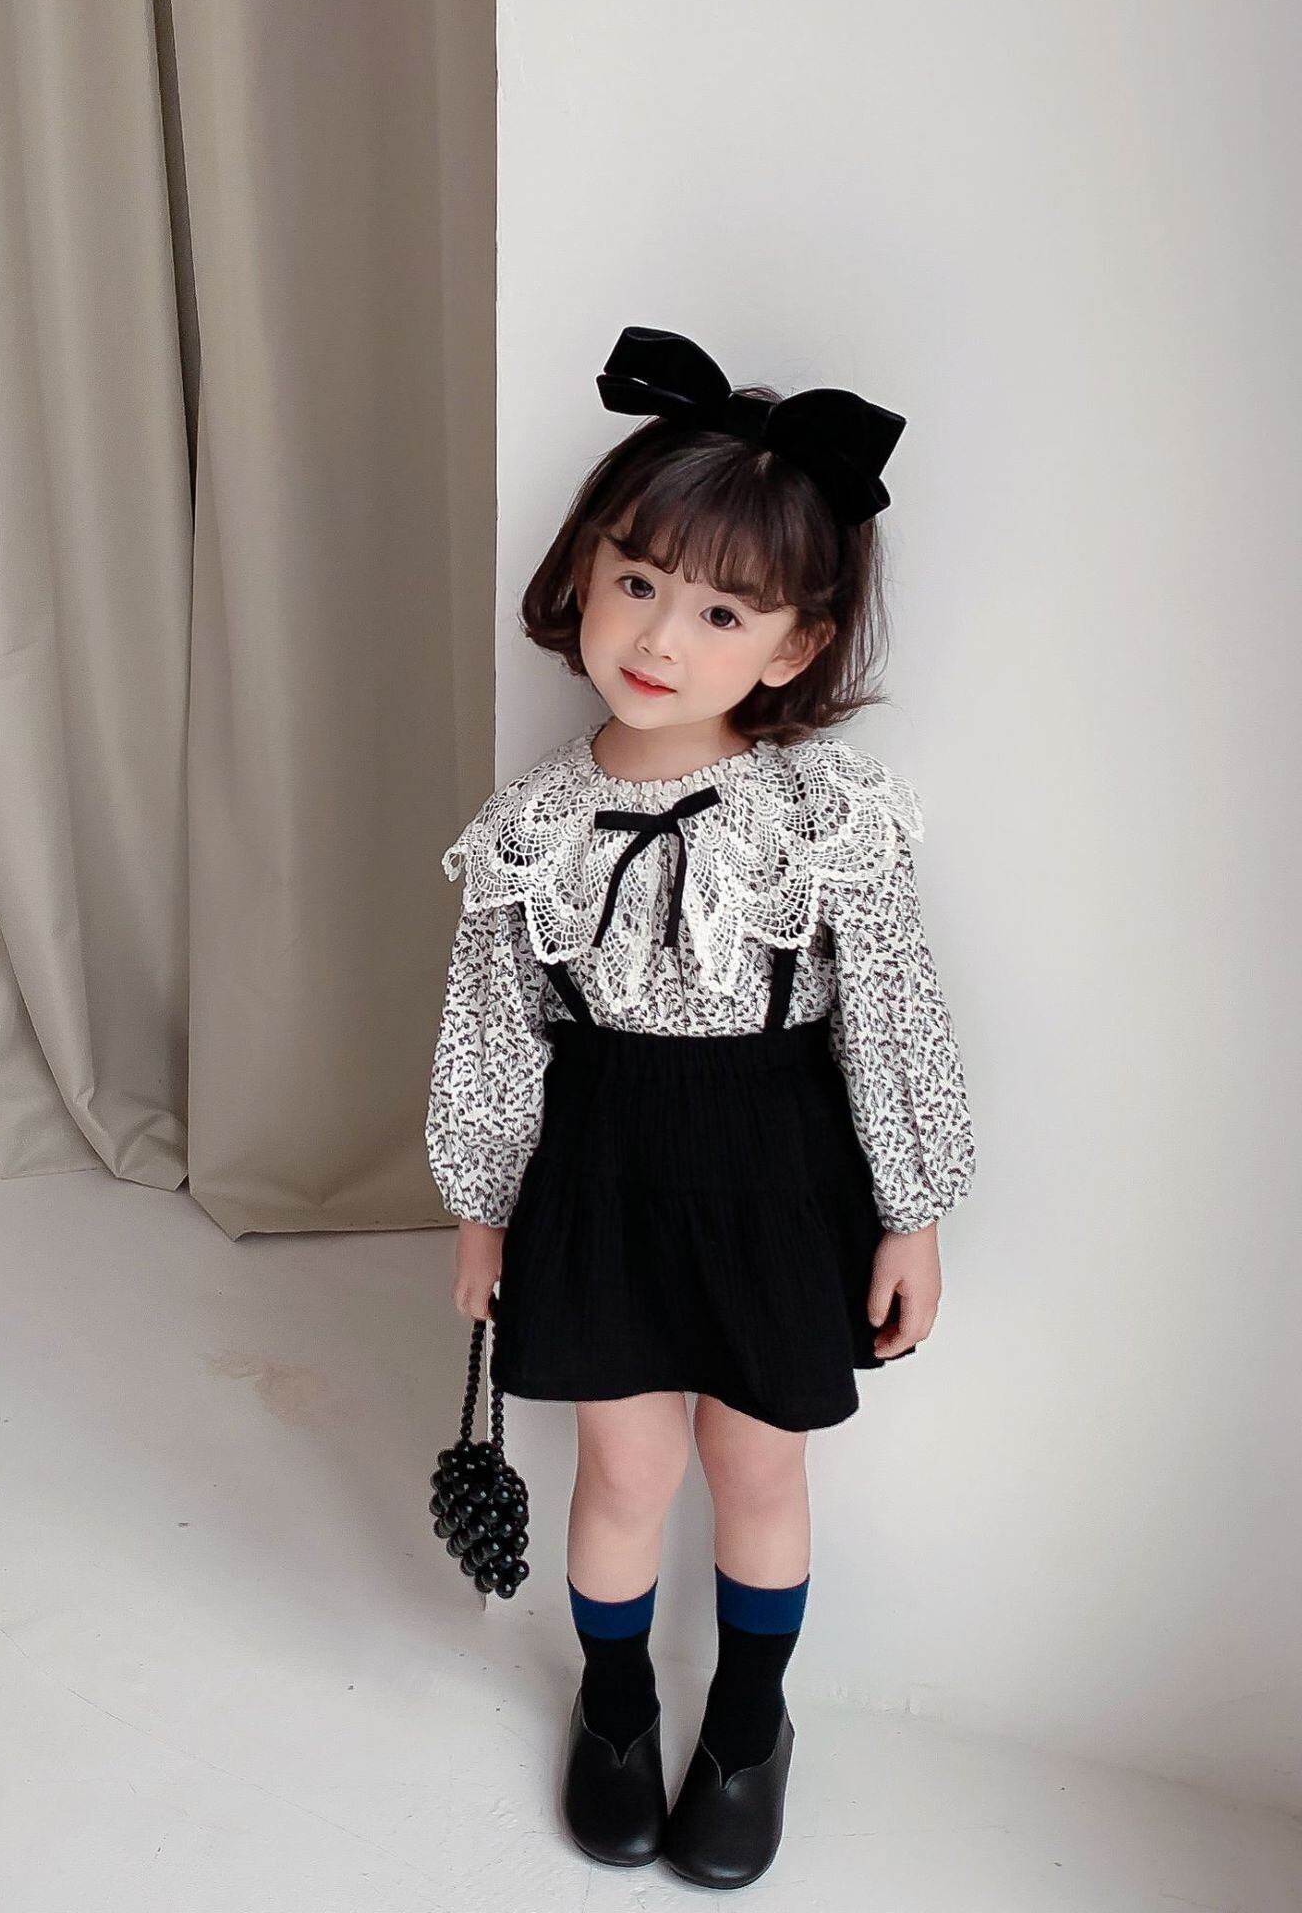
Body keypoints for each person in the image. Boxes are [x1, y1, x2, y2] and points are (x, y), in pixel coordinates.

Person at [424, 328, 976, 1888]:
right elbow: (493, 1032)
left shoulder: (824, 815)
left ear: (794, 647)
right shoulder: (530, 825)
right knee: (622, 1470)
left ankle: (747, 1723)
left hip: (774, 1171)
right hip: (600, 1167)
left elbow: (894, 1013)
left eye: (723, 611)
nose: (663, 635)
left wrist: (914, 1212)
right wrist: (481, 1210)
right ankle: (615, 1705)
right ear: (585, 577)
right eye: (638, 581)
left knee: (758, 1466)